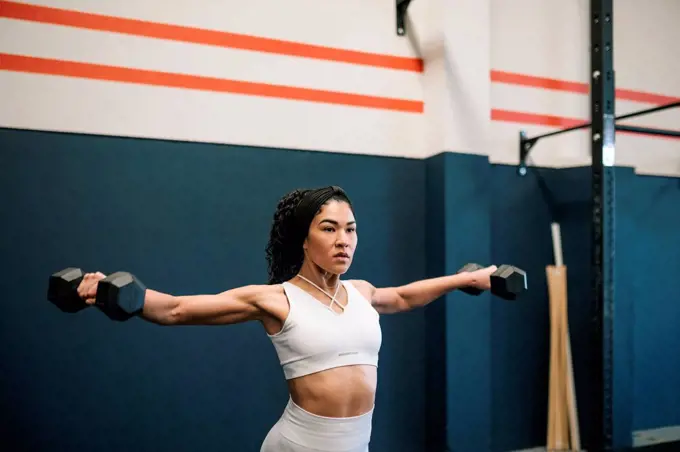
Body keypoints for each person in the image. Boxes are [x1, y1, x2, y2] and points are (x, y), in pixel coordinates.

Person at [76, 185, 497, 452]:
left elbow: (405, 296)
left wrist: (467, 279)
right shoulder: (276, 299)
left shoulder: (362, 292)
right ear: (303, 239)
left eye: (350, 229)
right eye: (329, 229)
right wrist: (112, 292)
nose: (343, 241)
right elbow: (176, 309)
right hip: (298, 445)